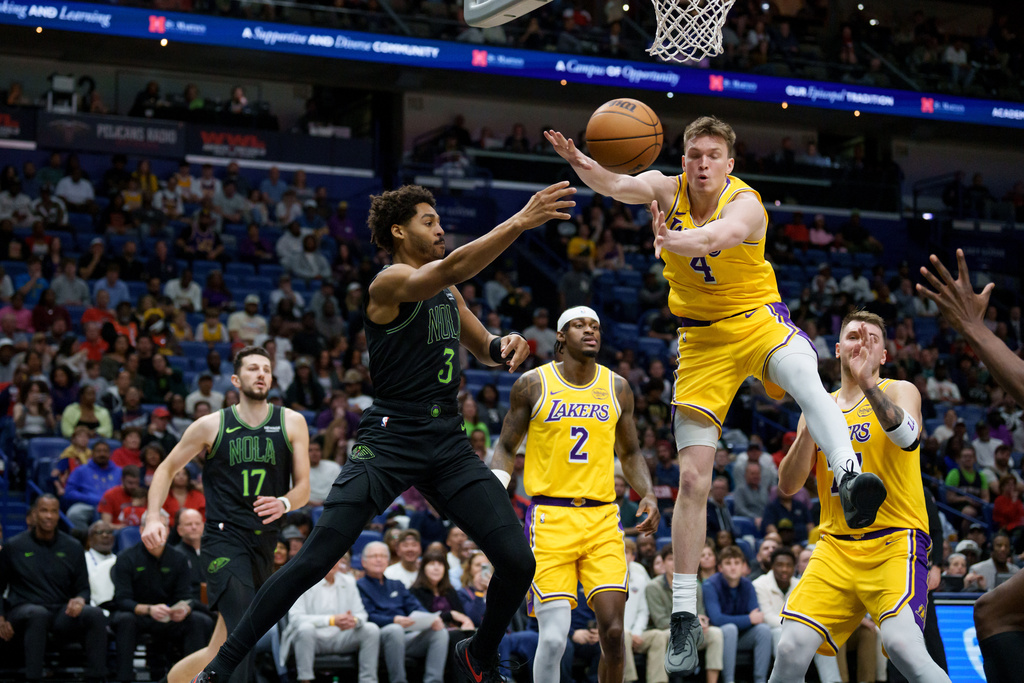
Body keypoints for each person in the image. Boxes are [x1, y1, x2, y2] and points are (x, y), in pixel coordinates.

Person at [187, 181, 574, 683]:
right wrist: (520, 220)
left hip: (447, 443)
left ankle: (477, 653)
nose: (439, 229)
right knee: (312, 561)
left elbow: (484, 347)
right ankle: (220, 668)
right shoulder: (388, 282)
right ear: (399, 230)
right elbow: (453, 266)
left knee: (518, 562)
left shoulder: (447, 292)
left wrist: (508, 343)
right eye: (428, 222)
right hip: (389, 439)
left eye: (439, 222)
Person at [546, 116, 884, 675]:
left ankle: (849, 475)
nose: (702, 163)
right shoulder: (666, 187)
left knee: (805, 375)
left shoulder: (747, 204)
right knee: (695, 478)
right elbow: (617, 185)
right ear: (683, 159)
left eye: (713, 155)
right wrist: (583, 163)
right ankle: (683, 613)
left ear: (729, 163)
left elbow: (714, 239)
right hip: (700, 342)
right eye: (694, 154)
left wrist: (669, 240)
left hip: (757, 320)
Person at [768, 311, 951, 683]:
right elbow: (787, 486)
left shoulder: (901, 390)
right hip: (836, 547)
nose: (861, 343)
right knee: (789, 648)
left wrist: (869, 384)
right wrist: (809, 420)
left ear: (884, 355)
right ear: (837, 350)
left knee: (904, 647)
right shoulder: (820, 407)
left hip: (895, 542)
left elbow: (909, 438)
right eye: (853, 336)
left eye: (871, 339)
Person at [490, 305, 660, 683]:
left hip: (602, 521)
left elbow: (630, 453)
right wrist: (495, 491)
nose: (590, 331)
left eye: (595, 326)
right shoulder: (532, 384)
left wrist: (647, 492)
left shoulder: (617, 387)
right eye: (579, 325)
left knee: (614, 635)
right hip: (550, 521)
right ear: (561, 337)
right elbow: (505, 446)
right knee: (552, 640)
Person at [140, 346, 311, 683]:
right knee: (244, 635)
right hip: (223, 538)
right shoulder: (211, 425)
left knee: (219, 649)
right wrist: (152, 516)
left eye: (266, 368)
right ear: (236, 379)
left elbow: (304, 488)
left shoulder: (292, 421)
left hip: (264, 543)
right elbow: (166, 468)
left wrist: (285, 503)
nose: (261, 374)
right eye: (252, 368)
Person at [0, 495, 108, 683]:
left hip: (59, 611)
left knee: (95, 614)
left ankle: (96, 677)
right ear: (34, 514)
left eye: (53, 511)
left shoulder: (72, 547)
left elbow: (83, 589)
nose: (49, 516)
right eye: (44, 510)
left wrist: (80, 600)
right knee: (38, 614)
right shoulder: (14, 546)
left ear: (59, 515)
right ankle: (33, 678)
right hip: (23, 610)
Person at [111, 512, 211, 683]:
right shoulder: (126, 558)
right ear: (142, 529)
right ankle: (124, 678)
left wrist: (184, 609)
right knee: (124, 619)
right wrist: (149, 609)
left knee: (198, 620)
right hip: (138, 615)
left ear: (168, 530)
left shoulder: (179, 558)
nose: (159, 531)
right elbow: (121, 599)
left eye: (163, 527)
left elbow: (185, 596)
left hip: (169, 616)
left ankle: (193, 677)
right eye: (154, 527)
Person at [358, 541, 449, 683]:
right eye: (374, 556)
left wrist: (431, 619)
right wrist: (393, 620)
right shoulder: (359, 585)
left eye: (382, 556)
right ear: (363, 562)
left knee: (440, 632)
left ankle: (434, 680)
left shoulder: (397, 584)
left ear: (388, 561)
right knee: (394, 630)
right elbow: (367, 615)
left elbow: (415, 606)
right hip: (378, 638)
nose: (379, 559)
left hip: (407, 635)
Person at [279, 555, 380, 683]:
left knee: (371, 629)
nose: (332, 562)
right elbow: (296, 619)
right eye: (328, 558)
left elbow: (362, 614)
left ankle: (368, 680)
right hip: (313, 638)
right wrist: (331, 620)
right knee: (305, 629)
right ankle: (305, 679)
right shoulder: (303, 581)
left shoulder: (348, 581)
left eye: (336, 559)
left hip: (341, 636)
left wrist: (353, 621)